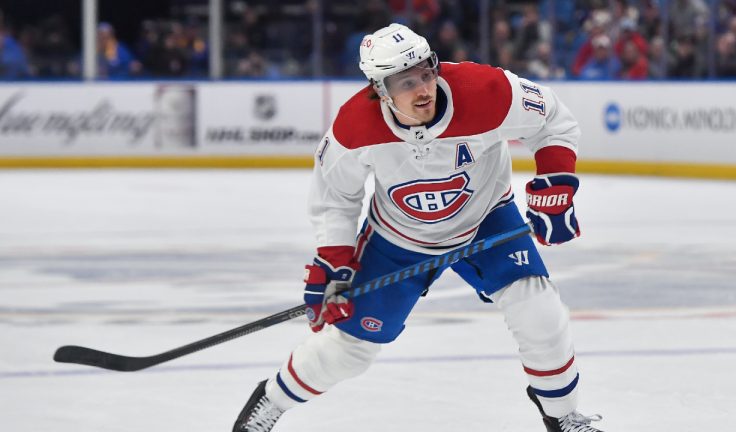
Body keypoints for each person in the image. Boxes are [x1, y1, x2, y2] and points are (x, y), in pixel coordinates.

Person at [233, 23, 604, 432]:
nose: (424, 89)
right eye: (406, 82)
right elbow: (335, 198)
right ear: (380, 89)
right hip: (397, 239)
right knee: (350, 350)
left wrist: (556, 182)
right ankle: (270, 400)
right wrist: (334, 260)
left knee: (539, 310)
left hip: (485, 223)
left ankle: (562, 416)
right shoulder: (355, 127)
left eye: (427, 72)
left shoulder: (486, 90)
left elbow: (552, 119)